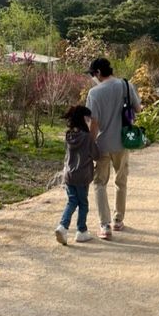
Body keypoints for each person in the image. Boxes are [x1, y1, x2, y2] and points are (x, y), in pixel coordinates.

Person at [85, 57, 141, 239]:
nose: (93, 77)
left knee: (99, 183)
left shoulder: (94, 93)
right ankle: (118, 220)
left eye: (93, 74)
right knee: (121, 181)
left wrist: (90, 144)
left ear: (98, 73)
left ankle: (104, 225)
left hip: (102, 144)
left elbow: (94, 123)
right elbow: (138, 109)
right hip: (123, 142)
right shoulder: (126, 85)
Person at [55, 105, 99, 245]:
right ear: (83, 120)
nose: (89, 122)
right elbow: (96, 154)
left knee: (72, 201)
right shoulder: (87, 138)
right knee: (83, 204)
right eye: (87, 119)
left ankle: (63, 227)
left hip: (68, 175)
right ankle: (81, 231)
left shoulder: (68, 136)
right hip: (82, 176)